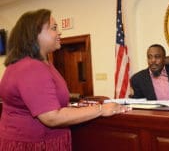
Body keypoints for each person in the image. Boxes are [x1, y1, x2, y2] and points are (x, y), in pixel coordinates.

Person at [0, 9, 131, 150]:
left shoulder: (39, 63)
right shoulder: (31, 67)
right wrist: (101, 109)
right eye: (54, 28)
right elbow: (51, 117)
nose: (59, 33)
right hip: (35, 144)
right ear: (34, 34)